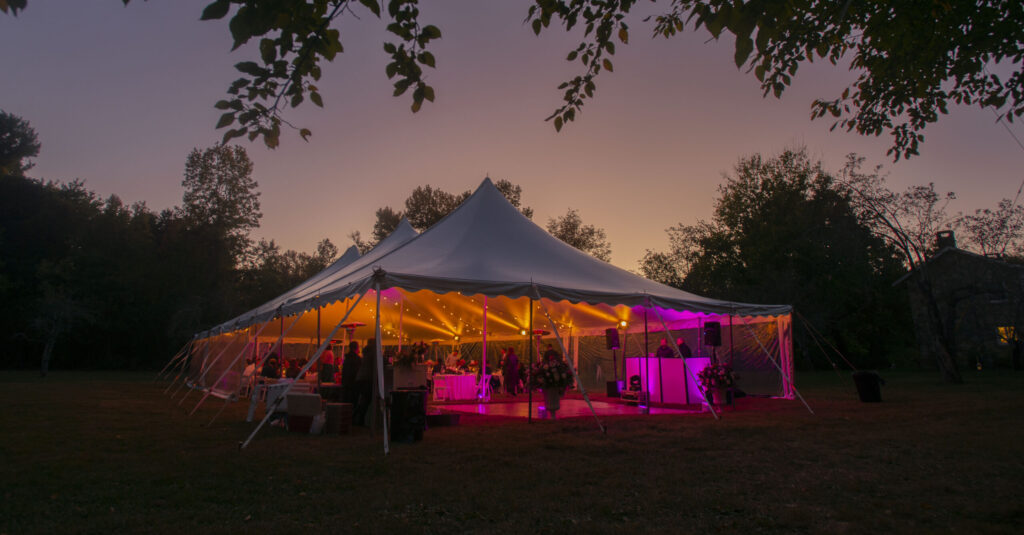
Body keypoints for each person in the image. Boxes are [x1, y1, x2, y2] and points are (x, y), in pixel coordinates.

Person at [353, 339, 377, 426]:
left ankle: (357, 418)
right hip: (367, 378)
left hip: (360, 378)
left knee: (363, 400)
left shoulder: (366, 352)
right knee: (366, 400)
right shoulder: (373, 352)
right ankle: (359, 419)